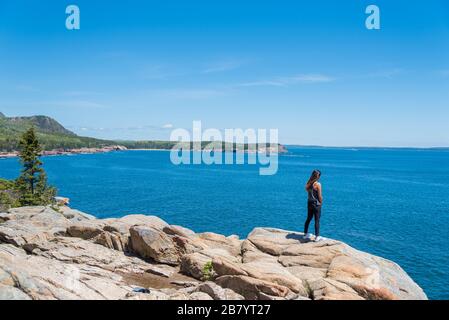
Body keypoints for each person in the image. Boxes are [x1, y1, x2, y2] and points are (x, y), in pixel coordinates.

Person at [304, 170, 323, 242]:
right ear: (318, 176)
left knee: (308, 219)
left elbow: (307, 190)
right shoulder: (318, 184)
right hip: (316, 204)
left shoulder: (308, 183)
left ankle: (305, 234)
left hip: (309, 203)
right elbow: (320, 196)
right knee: (317, 220)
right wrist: (321, 202)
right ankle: (317, 236)